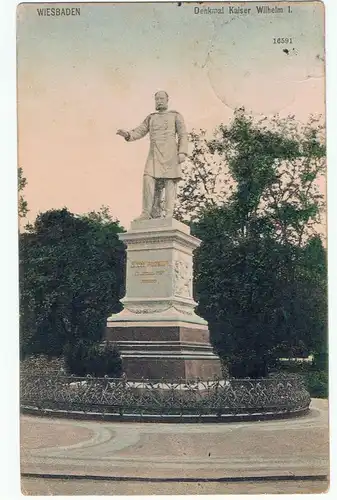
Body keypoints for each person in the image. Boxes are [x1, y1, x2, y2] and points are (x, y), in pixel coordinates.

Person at [117, 91, 188, 219]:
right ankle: (146, 212)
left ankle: (169, 213)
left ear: (167, 100)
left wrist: (182, 152)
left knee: (169, 182)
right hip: (154, 153)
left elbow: (183, 134)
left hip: (171, 153)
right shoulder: (151, 117)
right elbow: (140, 130)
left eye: (161, 98)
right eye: (157, 99)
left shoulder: (175, 116)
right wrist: (127, 135)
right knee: (148, 179)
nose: (159, 101)